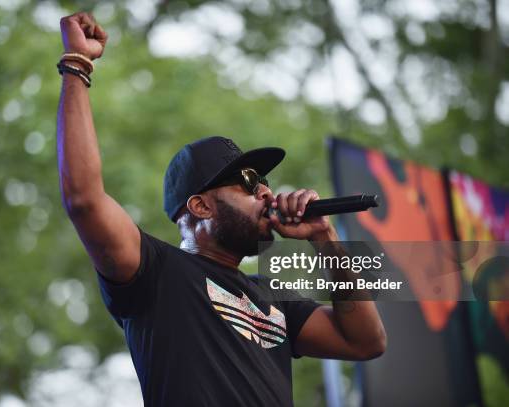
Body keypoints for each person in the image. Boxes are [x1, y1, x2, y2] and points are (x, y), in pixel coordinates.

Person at [56, 12, 386, 407]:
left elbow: (366, 341)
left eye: (264, 182)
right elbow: (84, 199)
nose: (266, 192)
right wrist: (77, 63)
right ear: (200, 205)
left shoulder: (274, 299)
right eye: (248, 183)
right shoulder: (156, 273)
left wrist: (325, 238)